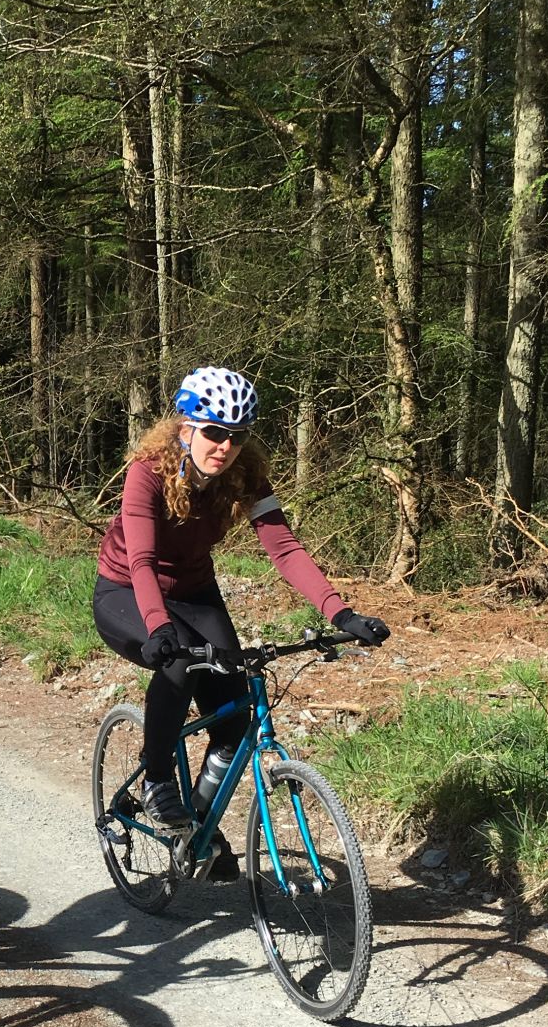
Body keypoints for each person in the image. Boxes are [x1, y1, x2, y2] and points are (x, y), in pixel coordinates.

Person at [94, 365, 389, 875]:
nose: (225, 446)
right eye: (214, 432)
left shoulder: (245, 475)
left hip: (195, 594)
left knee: (236, 717)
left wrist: (340, 611)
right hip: (126, 590)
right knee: (179, 666)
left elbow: (285, 548)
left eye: (237, 435)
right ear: (185, 427)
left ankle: (194, 838)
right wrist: (159, 627)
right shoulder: (148, 469)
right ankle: (158, 780)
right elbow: (141, 559)